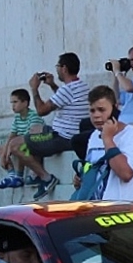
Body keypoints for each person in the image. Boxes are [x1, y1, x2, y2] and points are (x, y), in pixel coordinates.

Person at [17, 53, 90, 200]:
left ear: (64, 68)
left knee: (16, 146)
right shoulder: (80, 86)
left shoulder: (67, 90)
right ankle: (36, 174)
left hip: (61, 137)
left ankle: (46, 178)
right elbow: (63, 99)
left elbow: (41, 110)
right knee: (35, 130)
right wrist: (52, 84)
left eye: (57, 66)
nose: (56, 70)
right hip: (69, 133)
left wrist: (34, 89)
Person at [80, 85, 133, 201]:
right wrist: (83, 178)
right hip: (96, 208)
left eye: (101, 110)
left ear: (115, 108)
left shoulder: (132, 136)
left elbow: (126, 174)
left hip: (124, 211)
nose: (96, 115)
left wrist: (108, 139)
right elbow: (92, 167)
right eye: (92, 110)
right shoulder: (94, 136)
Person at [0, 88, 43, 189]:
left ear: (25, 103)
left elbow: (29, 137)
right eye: (12, 102)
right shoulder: (17, 118)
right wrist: (5, 153)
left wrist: (9, 150)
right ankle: (11, 175)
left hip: (33, 143)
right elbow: (12, 135)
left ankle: (19, 176)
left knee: (19, 148)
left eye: (15, 102)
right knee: (1, 149)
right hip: (19, 142)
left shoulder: (34, 116)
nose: (13, 106)